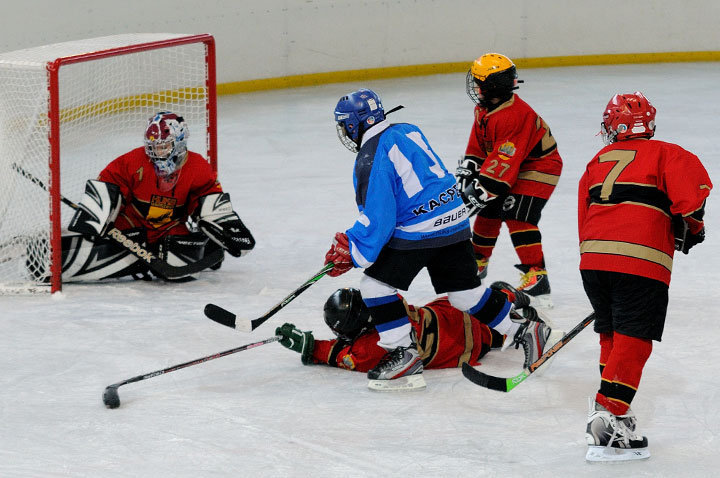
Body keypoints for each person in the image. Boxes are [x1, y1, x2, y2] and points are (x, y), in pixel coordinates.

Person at [325, 88, 556, 391]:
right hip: (455, 219)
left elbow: (380, 217)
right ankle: (524, 329)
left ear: (355, 124)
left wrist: (353, 249)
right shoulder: (407, 130)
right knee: (464, 295)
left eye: (345, 125)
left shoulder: (370, 158)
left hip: (422, 230)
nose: (345, 131)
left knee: (374, 286)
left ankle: (403, 355)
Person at [578, 92, 711, 462]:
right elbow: (693, 196)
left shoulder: (596, 161)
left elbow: (583, 216)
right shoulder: (667, 153)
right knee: (634, 338)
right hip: (641, 262)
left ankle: (613, 414)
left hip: (593, 259)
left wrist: (599, 263)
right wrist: (693, 226)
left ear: (613, 126)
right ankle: (608, 420)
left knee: (612, 334)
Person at [56, 111, 255, 282]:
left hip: (169, 229)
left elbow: (208, 197)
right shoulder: (132, 161)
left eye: (163, 147)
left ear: (179, 143)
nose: (157, 152)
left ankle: (206, 244)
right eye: (152, 147)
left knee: (181, 265)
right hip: (129, 227)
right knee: (82, 251)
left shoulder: (197, 167)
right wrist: (98, 215)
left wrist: (221, 227)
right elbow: (108, 184)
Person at [457, 53, 563, 307]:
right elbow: (478, 148)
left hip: (539, 167)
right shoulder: (485, 109)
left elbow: (499, 174)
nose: (475, 86)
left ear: (490, 86)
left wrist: (473, 197)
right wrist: (470, 177)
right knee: (489, 210)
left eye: (479, 82)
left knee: (518, 215)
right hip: (514, 163)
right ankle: (478, 261)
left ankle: (536, 275)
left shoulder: (514, 116)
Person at [274, 284, 545, 375]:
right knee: (471, 303)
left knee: (487, 336)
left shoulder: (370, 348)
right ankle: (504, 297)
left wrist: (307, 345)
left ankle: (514, 316)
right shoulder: (389, 303)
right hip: (448, 313)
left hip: (460, 346)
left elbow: (341, 354)